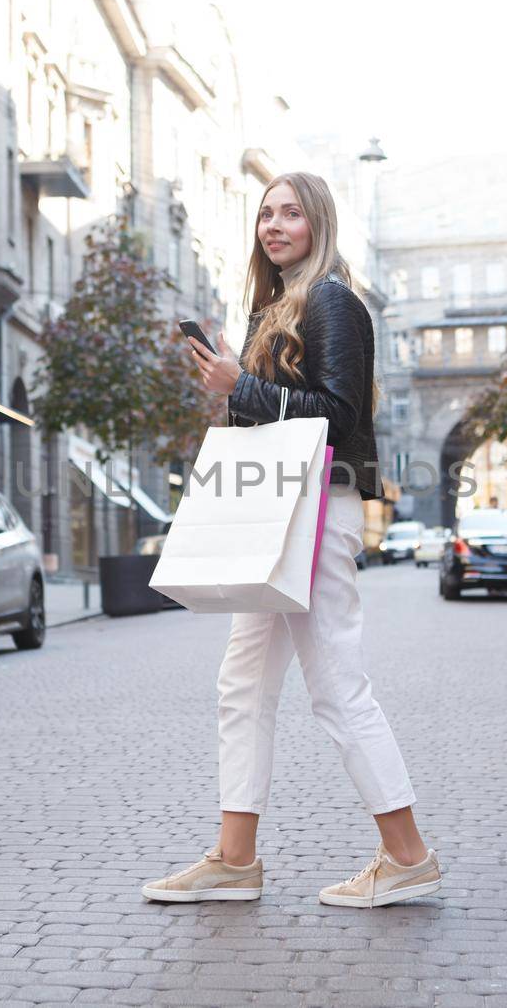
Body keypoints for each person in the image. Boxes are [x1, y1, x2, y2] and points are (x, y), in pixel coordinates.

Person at [146, 171, 441, 909]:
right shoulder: (272, 306)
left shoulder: (334, 300)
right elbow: (273, 417)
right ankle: (234, 857)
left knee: (337, 682)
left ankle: (406, 854)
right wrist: (232, 376)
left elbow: (337, 417)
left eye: (290, 213)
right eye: (265, 213)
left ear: (318, 224)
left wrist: (237, 385)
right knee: (242, 683)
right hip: (276, 513)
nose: (273, 225)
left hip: (316, 509)